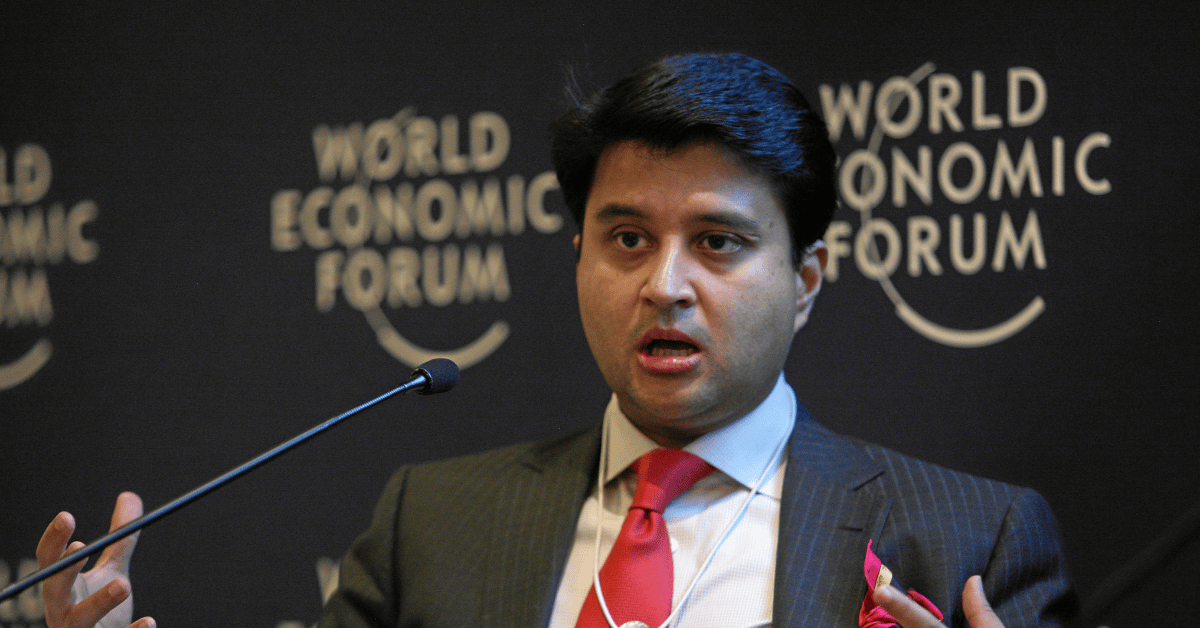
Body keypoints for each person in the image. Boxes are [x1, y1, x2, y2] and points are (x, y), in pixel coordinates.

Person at [36, 53, 1078, 628]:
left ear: (804, 282)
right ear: (579, 256)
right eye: (627, 238)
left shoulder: (972, 540)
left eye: (718, 242)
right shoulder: (429, 525)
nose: (664, 284)